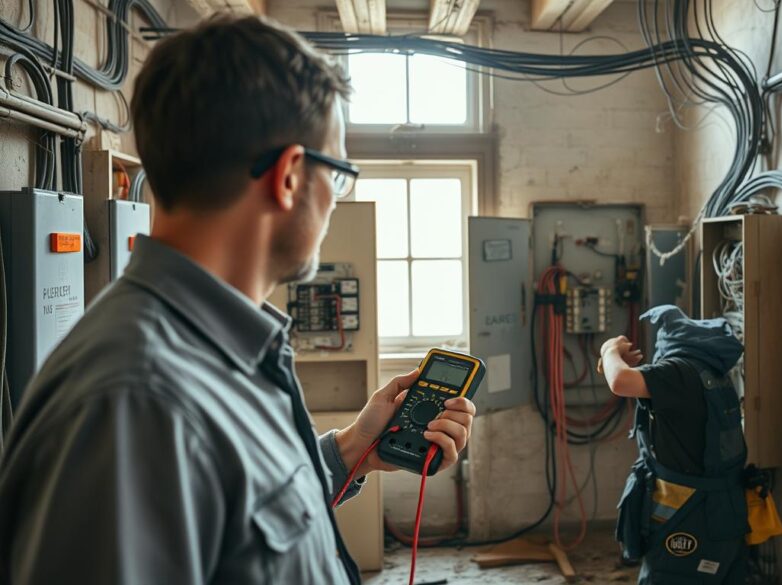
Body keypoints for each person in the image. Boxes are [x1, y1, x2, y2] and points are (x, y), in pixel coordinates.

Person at [0, 15, 474, 584]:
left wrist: (353, 450)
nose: (335, 201)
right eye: (339, 175)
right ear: (291, 176)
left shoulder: (220, 352)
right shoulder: (136, 401)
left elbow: (242, 523)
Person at [599, 304, 748, 584]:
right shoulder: (712, 375)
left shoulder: (678, 372)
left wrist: (609, 349)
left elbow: (619, 381)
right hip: (725, 514)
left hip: (688, 517)